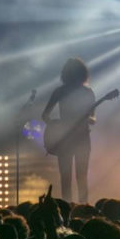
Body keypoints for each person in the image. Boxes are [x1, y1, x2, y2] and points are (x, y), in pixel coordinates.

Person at [43, 58, 96, 203]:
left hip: (81, 138)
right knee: (69, 177)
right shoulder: (60, 92)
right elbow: (45, 115)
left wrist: (88, 119)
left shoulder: (87, 92)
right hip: (67, 139)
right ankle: (70, 207)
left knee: (79, 176)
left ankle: (81, 206)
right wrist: (55, 126)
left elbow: (93, 117)